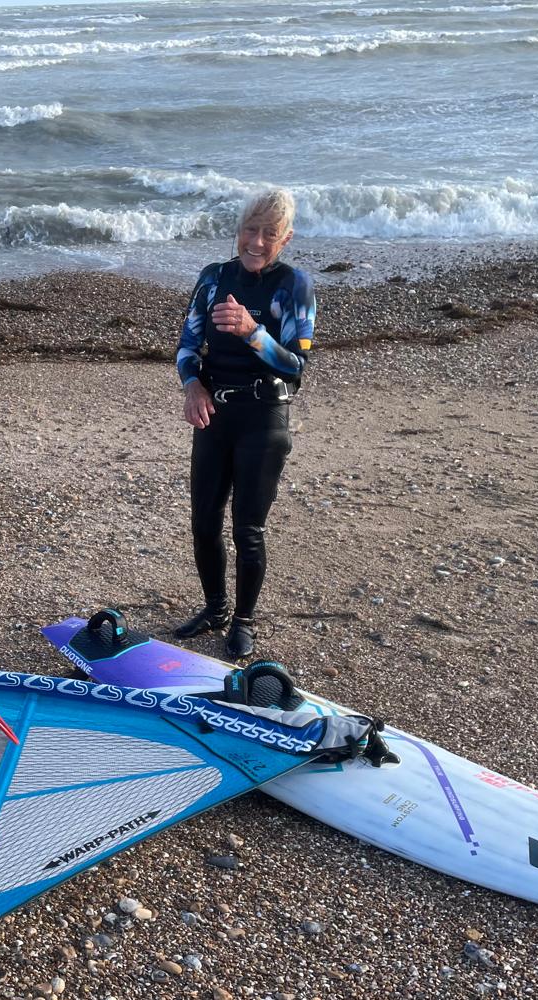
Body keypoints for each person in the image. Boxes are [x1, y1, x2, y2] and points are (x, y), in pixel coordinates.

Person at [173, 188, 314, 659]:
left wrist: (253, 333)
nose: (256, 242)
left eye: (268, 234)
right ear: (237, 232)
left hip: (264, 417)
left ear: (285, 239)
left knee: (247, 527)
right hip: (215, 413)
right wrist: (193, 386)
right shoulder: (213, 279)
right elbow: (187, 346)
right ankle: (214, 608)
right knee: (203, 521)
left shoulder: (293, 286)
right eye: (249, 231)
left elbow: (296, 364)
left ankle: (243, 620)